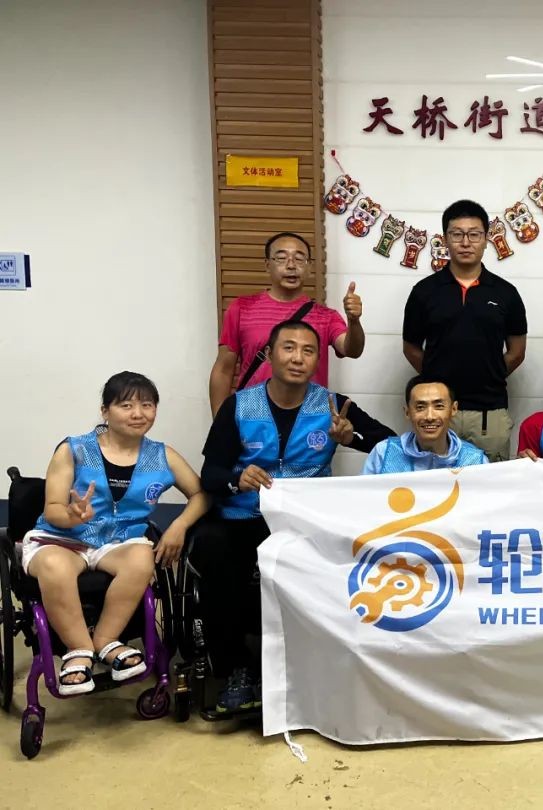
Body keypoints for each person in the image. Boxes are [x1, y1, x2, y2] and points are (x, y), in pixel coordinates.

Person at [196, 319, 395, 712]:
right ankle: (237, 668)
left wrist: (351, 437)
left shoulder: (333, 405)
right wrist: (238, 478)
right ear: (269, 355)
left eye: (308, 351)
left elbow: (390, 443)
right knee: (211, 548)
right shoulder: (239, 406)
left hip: (304, 520)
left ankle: (319, 663)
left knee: (349, 553)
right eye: (288, 348)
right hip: (244, 518)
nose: (298, 358)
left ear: (318, 361)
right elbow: (211, 474)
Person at [22, 372, 209, 695]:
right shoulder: (74, 450)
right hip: (62, 539)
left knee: (142, 559)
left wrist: (179, 525)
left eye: (147, 405)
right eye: (126, 405)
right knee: (55, 565)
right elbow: (52, 508)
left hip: (119, 541)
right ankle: (78, 650)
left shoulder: (162, 455)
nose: (138, 414)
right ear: (105, 411)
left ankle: (107, 640)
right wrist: (71, 514)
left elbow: (201, 494)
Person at [402, 200, 528, 462]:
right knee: (434, 480)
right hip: (437, 413)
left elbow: (516, 352)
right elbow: (411, 347)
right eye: (457, 234)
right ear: (445, 239)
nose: (466, 242)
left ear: (486, 240)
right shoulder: (424, 292)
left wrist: (489, 372)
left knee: (490, 483)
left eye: (474, 234)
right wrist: (436, 377)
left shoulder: (506, 293)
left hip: (489, 413)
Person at [208, 231, 367, 416]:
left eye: (299, 259)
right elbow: (223, 369)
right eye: (281, 258)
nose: (291, 265)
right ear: (267, 265)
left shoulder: (326, 316)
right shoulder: (241, 308)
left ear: (309, 267)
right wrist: (220, 423)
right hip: (252, 418)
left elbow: (352, 350)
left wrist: (354, 321)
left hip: (308, 420)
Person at [364, 377, 488, 474]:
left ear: (453, 409)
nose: (429, 417)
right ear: (407, 412)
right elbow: (364, 496)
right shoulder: (384, 454)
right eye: (420, 407)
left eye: (439, 406)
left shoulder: (475, 461)